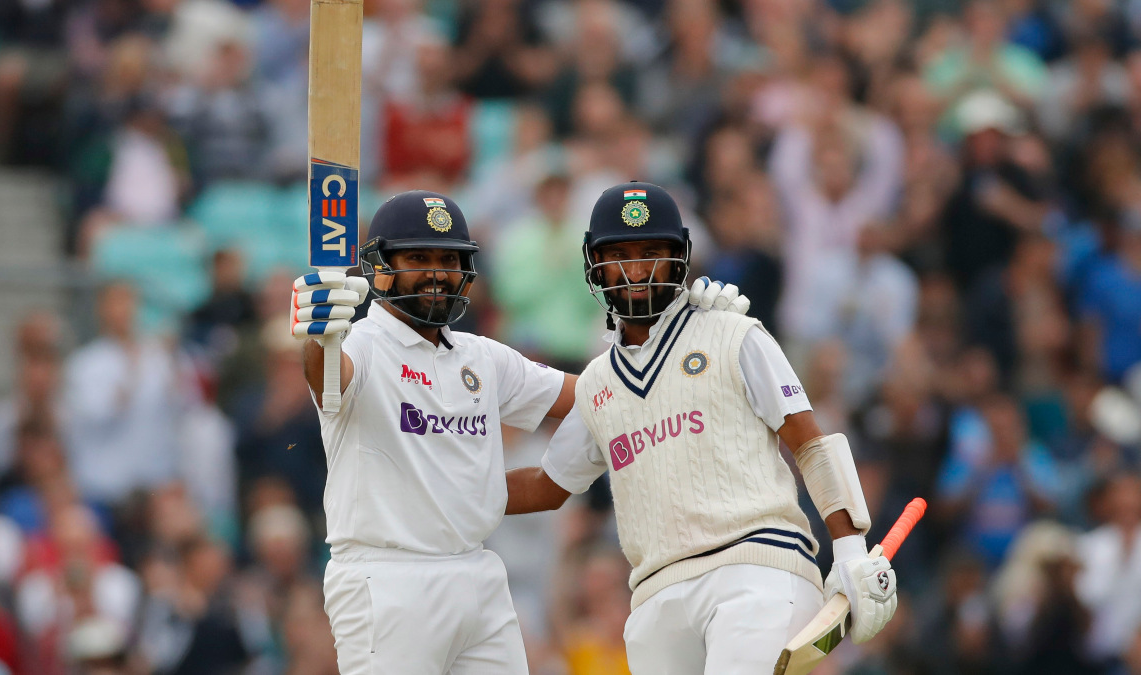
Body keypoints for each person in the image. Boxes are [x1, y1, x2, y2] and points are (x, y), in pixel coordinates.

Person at [289, 189, 741, 673]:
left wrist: (688, 336)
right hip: (386, 579)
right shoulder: (363, 345)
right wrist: (318, 338)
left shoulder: (481, 357)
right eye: (418, 257)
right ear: (379, 267)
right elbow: (329, 376)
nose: (437, 273)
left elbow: (609, 394)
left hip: (479, 574)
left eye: (449, 258)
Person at [504, 182, 900, 674]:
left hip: (757, 569)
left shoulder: (733, 332)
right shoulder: (597, 384)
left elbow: (811, 444)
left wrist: (848, 549)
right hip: (653, 598)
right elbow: (547, 487)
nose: (636, 269)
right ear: (594, 265)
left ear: (680, 259)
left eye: (653, 252)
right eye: (620, 254)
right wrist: (433, 488)